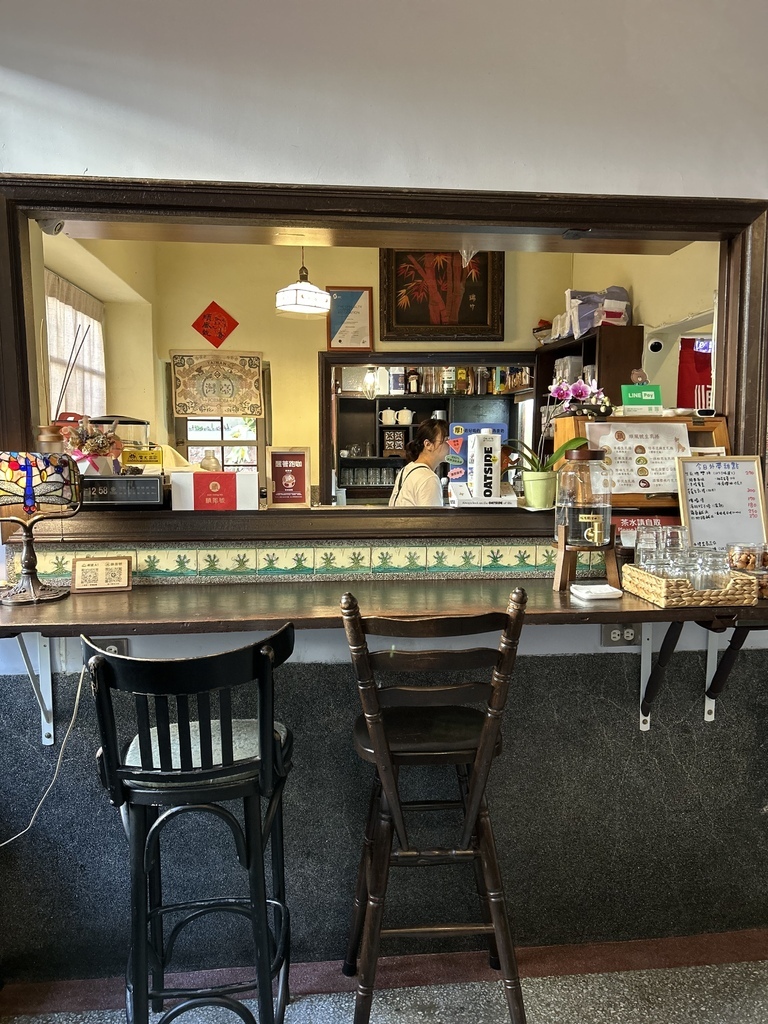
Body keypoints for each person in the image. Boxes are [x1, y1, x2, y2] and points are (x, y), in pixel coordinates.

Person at [389, 418, 449, 507]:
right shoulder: (429, 478)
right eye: (447, 440)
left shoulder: (407, 469)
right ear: (428, 444)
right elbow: (433, 516)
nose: (451, 445)